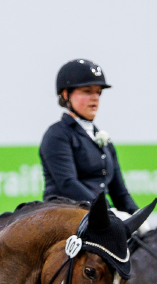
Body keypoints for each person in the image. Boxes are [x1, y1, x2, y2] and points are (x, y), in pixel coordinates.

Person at [40, 59, 140, 214]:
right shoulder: (57, 135)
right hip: (65, 215)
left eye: (98, 92)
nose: (95, 97)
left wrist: (138, 217)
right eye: (87, 91)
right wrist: (108, 212)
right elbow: (68, 184)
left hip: (101, 217)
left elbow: (119, 192)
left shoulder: (102, 139)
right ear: (66, 95)